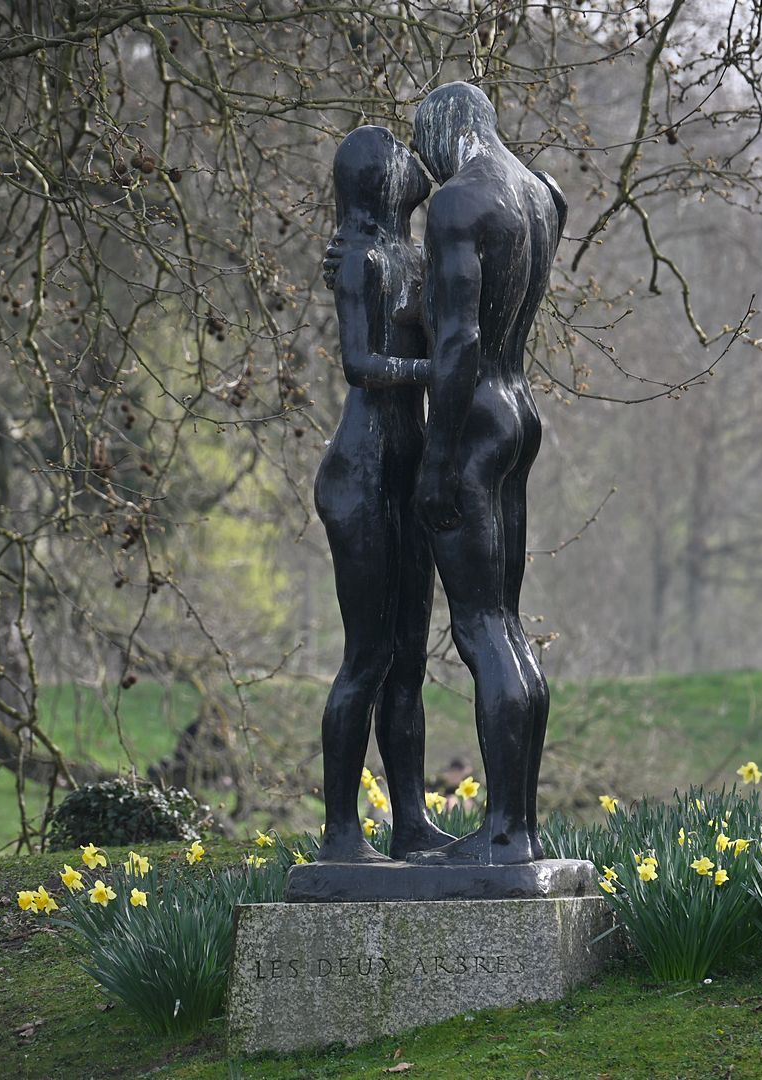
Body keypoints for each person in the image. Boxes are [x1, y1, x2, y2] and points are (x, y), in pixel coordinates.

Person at [407, 82, 567, 864]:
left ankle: (503, 831)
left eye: (425, 147)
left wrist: (437, 460)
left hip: (471, 421)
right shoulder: (541, 195)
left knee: (481, 629)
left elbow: (460, 339)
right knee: (506, 624)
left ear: (446, 130)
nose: (427, 166)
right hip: (519, 411)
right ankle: (519, 826)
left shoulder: (458, 202)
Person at [313, 126, 456, 862]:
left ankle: (411, 822)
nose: (416, 163)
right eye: (401, 155)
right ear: (377, 177)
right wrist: (439, 373)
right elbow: (360, 364)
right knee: (366, 657)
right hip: (361, 472)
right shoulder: (362, 259)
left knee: (408, 662)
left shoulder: (417, 259)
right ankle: (342, 833)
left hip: (406, 470)